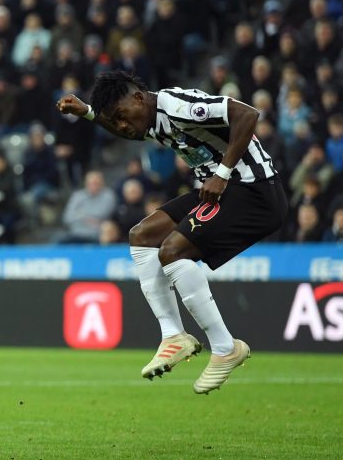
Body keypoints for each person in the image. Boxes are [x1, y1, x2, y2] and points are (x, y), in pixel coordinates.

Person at [56, 70, 286, 394]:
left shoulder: (178, 106)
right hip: (220, 189)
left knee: (172, 251)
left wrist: (222, 172)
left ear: (138, 97)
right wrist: (89, 113)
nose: (122, 126)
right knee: (142, 236)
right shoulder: (151, 121)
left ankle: (224, 348)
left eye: (121, 116)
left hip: (252, 189)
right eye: (115, 121)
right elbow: (132, 131)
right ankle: (173, 335)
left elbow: (247, 114)